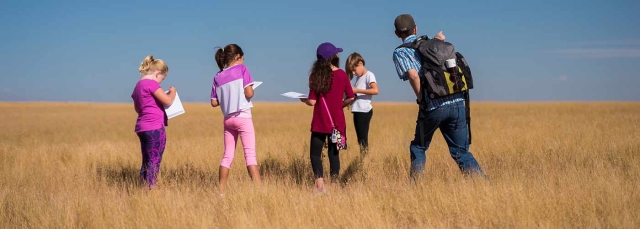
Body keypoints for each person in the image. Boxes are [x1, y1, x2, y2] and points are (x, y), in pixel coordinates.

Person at [391, 14, 486, 181]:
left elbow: (413, 75)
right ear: (416, 28)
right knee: (461, 152)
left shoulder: (401, 52)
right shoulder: (432, 44)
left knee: (418, 147)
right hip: (457, 101)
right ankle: (483, 185)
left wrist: (422, 99)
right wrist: (437, 39)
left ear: (397, 34)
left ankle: (415, 188)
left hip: (433, 105)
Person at [300, 42, 355, 193]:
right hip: (337, 123)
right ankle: (335, 186)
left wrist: (303, 100)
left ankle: (320, 187)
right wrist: (340, 105)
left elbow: (312, 101)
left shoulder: (315, 76)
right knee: (334, 154)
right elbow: (351, 97)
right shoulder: (343, 75)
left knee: (315, 154)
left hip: (320, 122)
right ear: (334, 57)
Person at [210, 44, 262, 195]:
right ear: (238, 57)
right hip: (243, 116)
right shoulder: (242, 69)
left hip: (228, 119)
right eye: (243, 58)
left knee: (227, 156)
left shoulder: (217, 76)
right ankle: (260, 191)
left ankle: (221, 192)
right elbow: (250, 93)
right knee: (250, 155)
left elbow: (214, 102)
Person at [131, 55, 176, 189]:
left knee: (146, 158)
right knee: (155, 158)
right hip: (155, 127)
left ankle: (144, 183)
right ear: (158, 73)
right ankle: (150, 187)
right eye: (162, 79)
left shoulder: (138, 86)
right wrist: (172, 92)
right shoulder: (152, 84)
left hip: (142, 127)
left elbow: (137, 108)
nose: (160, 83)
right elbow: (167, 101)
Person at [345, 52, 378, 155]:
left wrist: (357, 90)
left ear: (360, 63)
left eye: (354, 70)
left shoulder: (369, 75)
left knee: (363, 139)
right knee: (360, 140)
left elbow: (375, 90)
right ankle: (363, 158)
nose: (354, 73)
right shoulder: (359, 78)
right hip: (357, 111)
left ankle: (365, 159)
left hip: (364, 111)